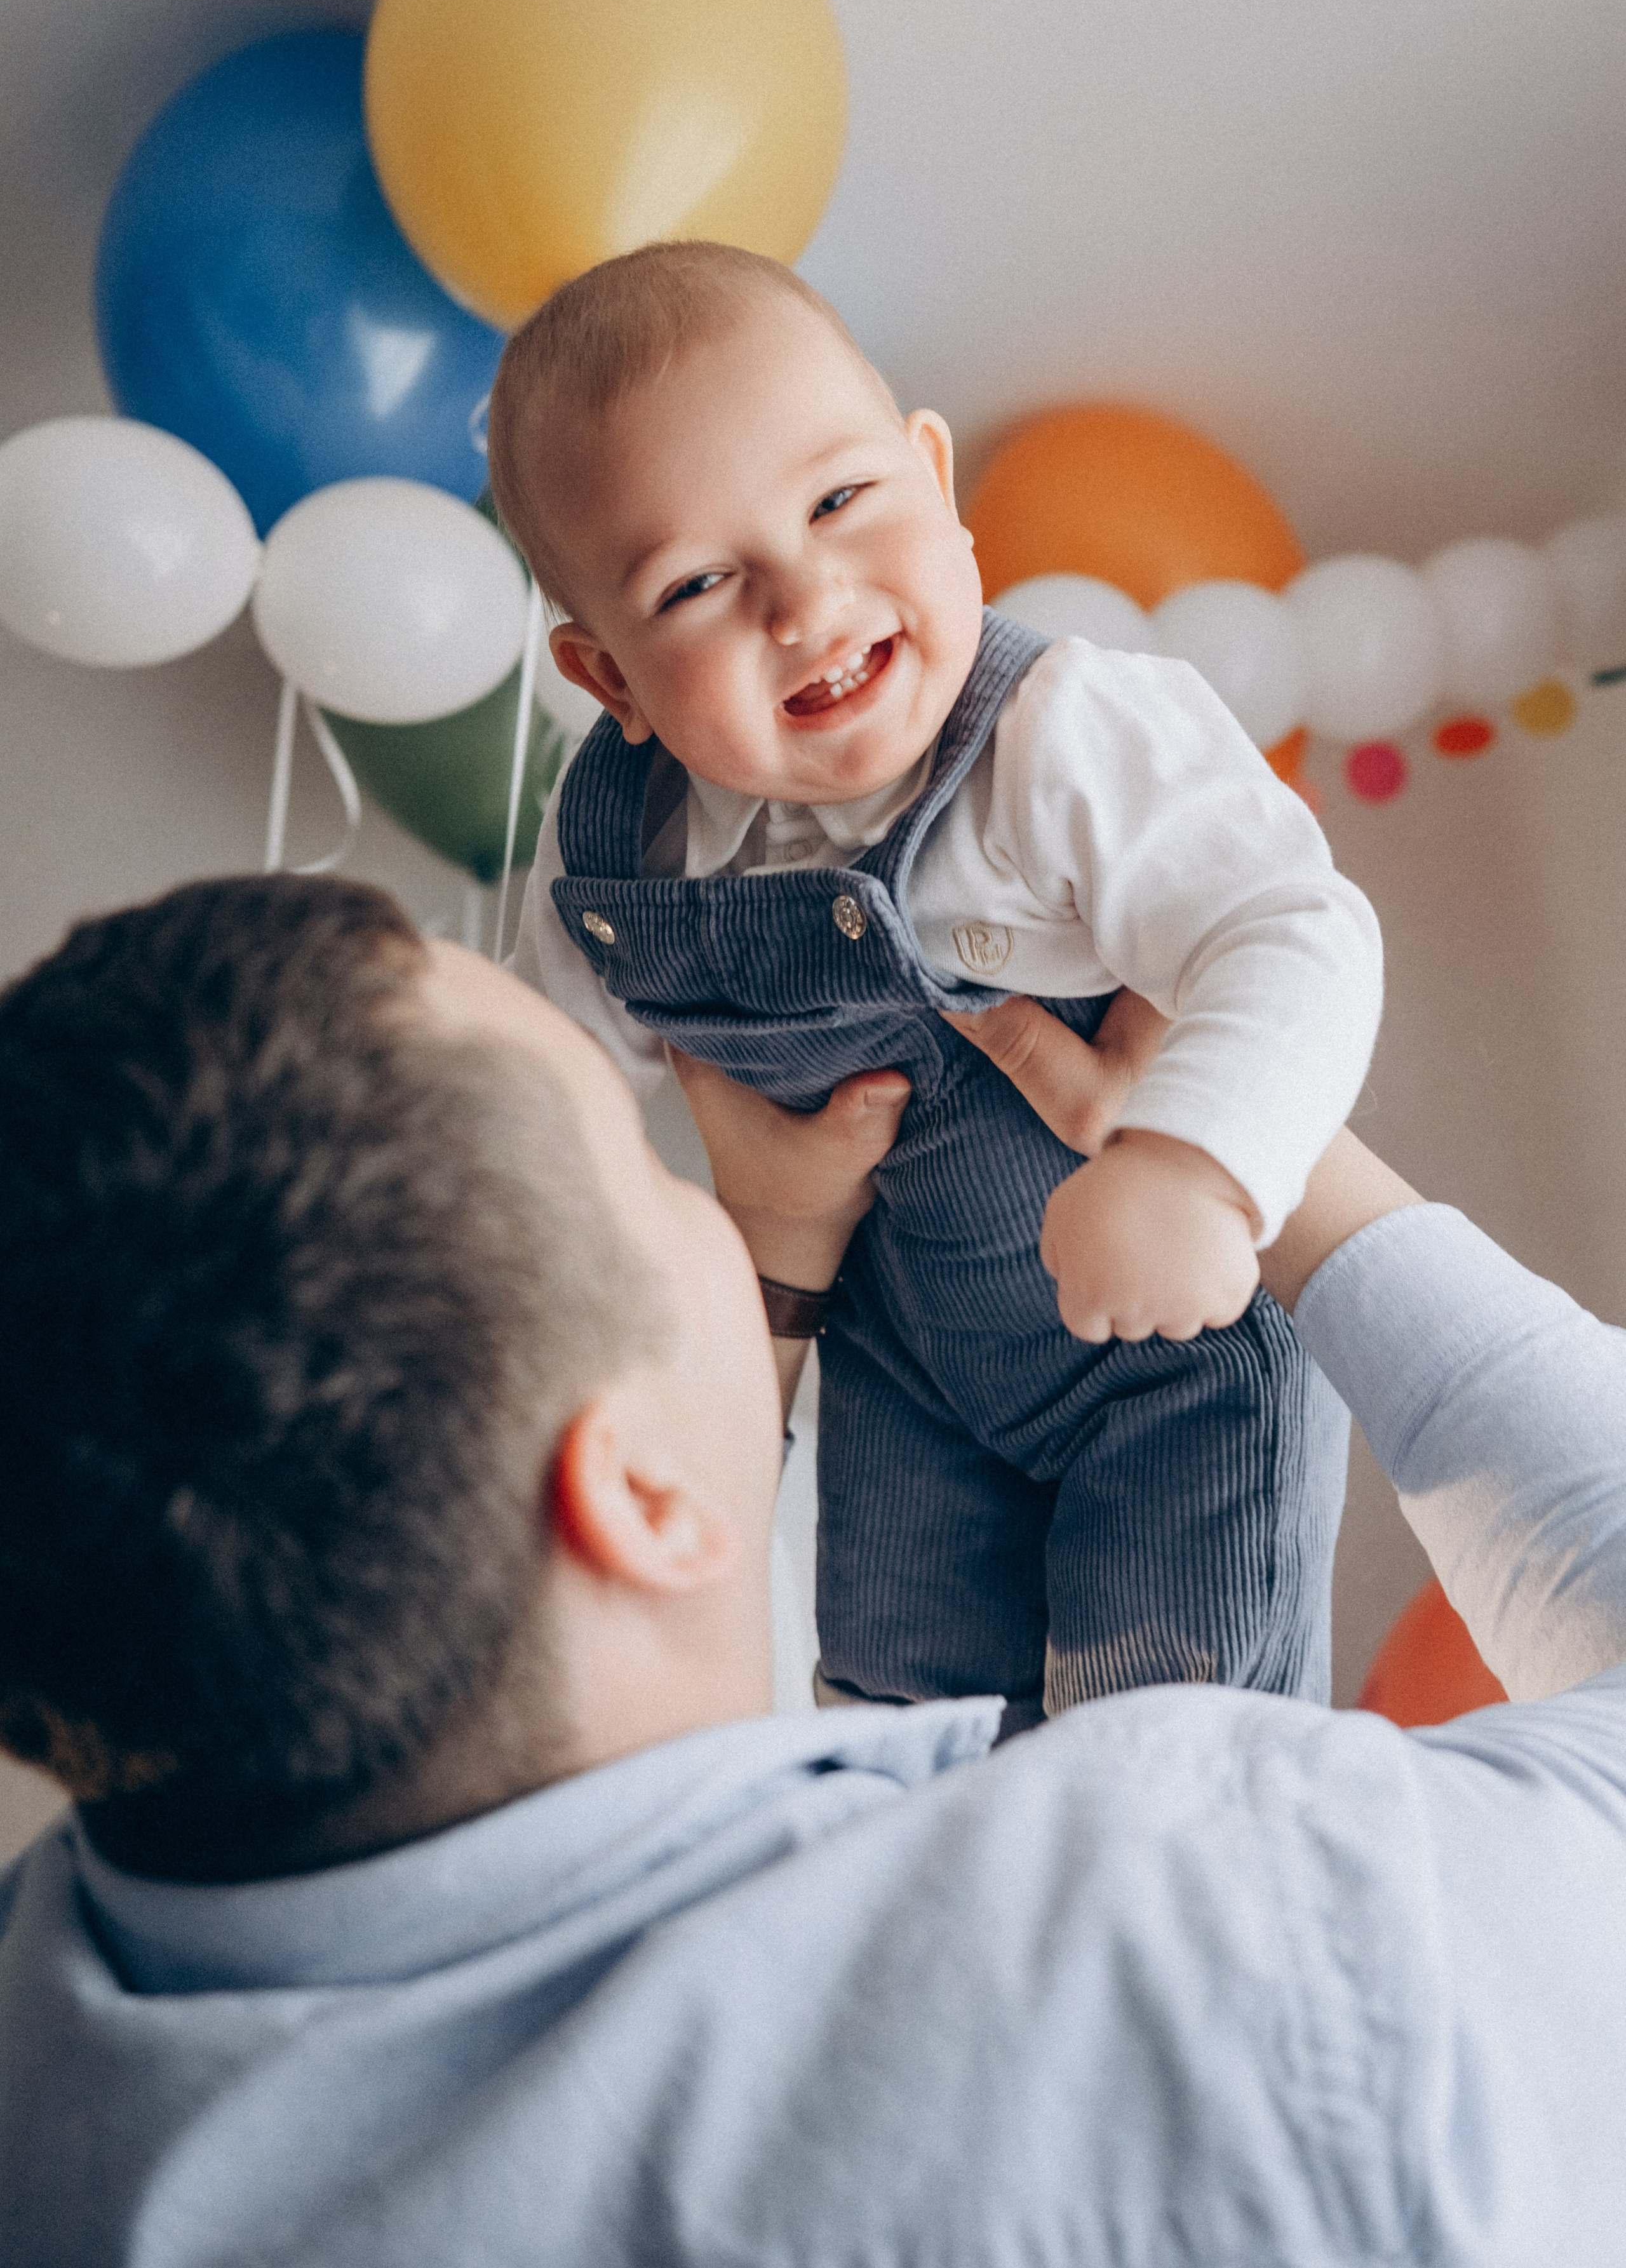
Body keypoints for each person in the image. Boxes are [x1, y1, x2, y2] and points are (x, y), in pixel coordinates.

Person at [3, 873, 1626, 2265]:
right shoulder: (1197, 1939)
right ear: (633, 1492)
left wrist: (773, 1270)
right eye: (644, 1169)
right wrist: (1255, 1142)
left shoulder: (50, 2088)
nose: (696, 1199)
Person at [487, 241, 1384, 1726]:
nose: (805, 595)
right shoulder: (622, 853)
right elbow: (542, 1097)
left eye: (839, 500)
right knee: (910, 1740)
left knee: (1167, 1752)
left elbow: (1293, 927)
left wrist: (1193, 1166)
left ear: (933, 476)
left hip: (1170, 1352)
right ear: (611, 684)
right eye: (699, 581)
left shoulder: (1057, 732)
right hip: (909, 1385)